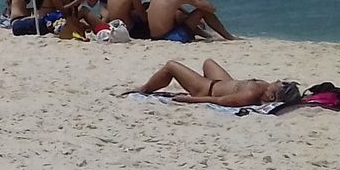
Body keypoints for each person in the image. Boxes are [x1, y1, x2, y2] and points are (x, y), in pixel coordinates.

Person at [121, 58, 295, 107]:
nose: (279, 81)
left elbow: (218, 101)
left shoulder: (250, 95)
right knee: (208, 62)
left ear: (272, 95)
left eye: (281, 84)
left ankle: (144, 89)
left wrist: (190, 99)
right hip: (223, 83)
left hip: (206, 89)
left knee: (171, 66)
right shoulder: (263, 88)